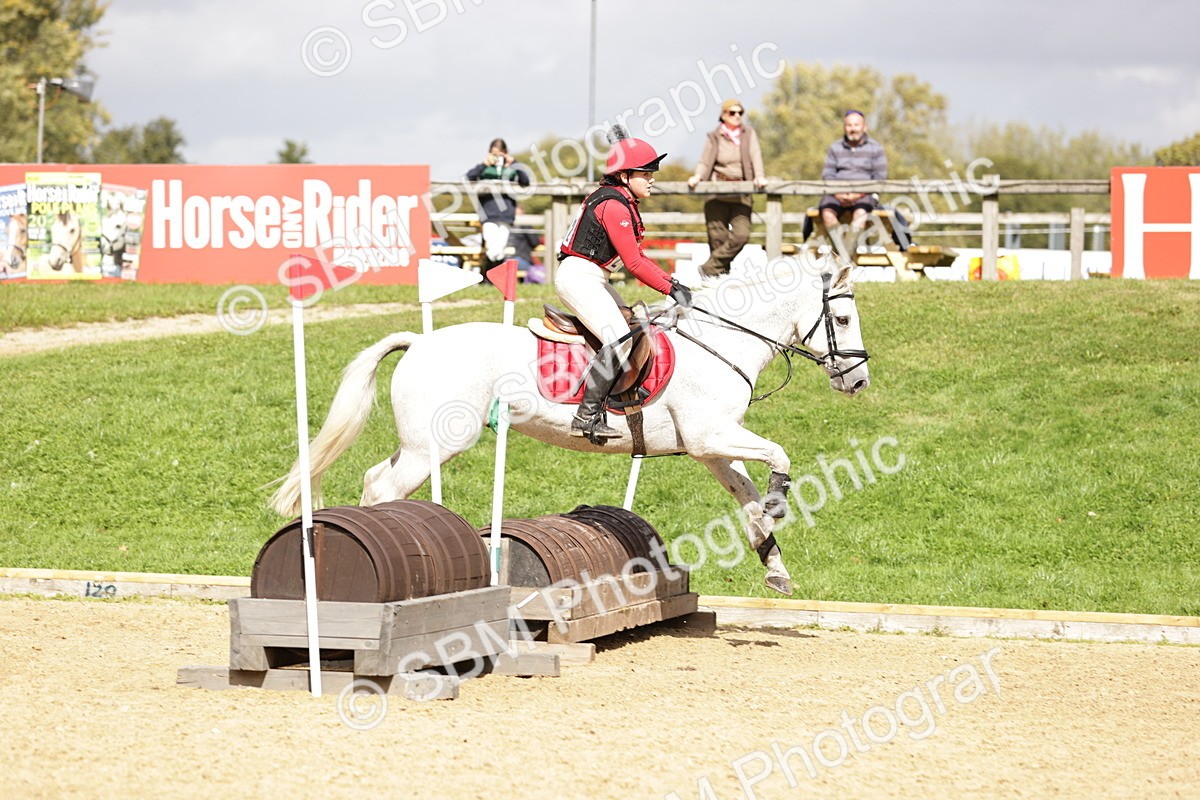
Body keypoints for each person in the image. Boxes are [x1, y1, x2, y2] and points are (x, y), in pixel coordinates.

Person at [557, 130, 693, 443]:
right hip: (579, 277)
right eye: (645, 173)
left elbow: (638, 258)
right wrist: (671, 288)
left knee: (632, 326)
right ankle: (586, 416)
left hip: (594, 277)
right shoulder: (614, 206)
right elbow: (634, 263)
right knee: (618, 336)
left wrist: (671, 283)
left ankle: (618, 396)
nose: (652, 179)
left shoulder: (622, 200)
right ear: (624, 175)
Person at [687, 99, 768, 279]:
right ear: (723, 115)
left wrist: (759, 175)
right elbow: (705, 161)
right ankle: (719, 281)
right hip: (716, 192)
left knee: (741, 235)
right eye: (732, 112)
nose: (737, 116)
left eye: (740, 112)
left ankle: (709, 269)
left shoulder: (748, 133)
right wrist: (698, 176)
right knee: (717, 238)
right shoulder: (714, 136)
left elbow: (756, 155)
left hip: (741, 192)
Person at [818, 110, 888, 259]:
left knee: (860, 214)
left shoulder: (876, 148)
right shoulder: (835, 148)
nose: (853, 129)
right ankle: (846, 259)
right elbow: (828, 174)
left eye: (856, 125)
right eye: (849, 125)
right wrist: (838, 192)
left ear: (864, 126)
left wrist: (859, 194)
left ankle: (843, 261)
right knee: (827, 213)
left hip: (865, 194)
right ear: (844, 127)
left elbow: (879, 177)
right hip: (836, 194)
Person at [465, 138, 531, 273]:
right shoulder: (485, 169)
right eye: (494, 154)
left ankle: (495, 277)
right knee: (492, 248)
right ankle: (488, 276)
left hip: (506, 214)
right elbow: (469, 177)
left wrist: (514, 163)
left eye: (500, 154)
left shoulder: (511, 169)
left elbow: (525, 181)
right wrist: (484, 164)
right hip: (488, 213)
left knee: (500, 249)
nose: (497, 158)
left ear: (505, 153)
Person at [508, 206, 544, 283]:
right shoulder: (525, 225)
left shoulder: (504, 225)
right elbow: (535, 241)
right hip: (520, 260)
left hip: (503, 261)